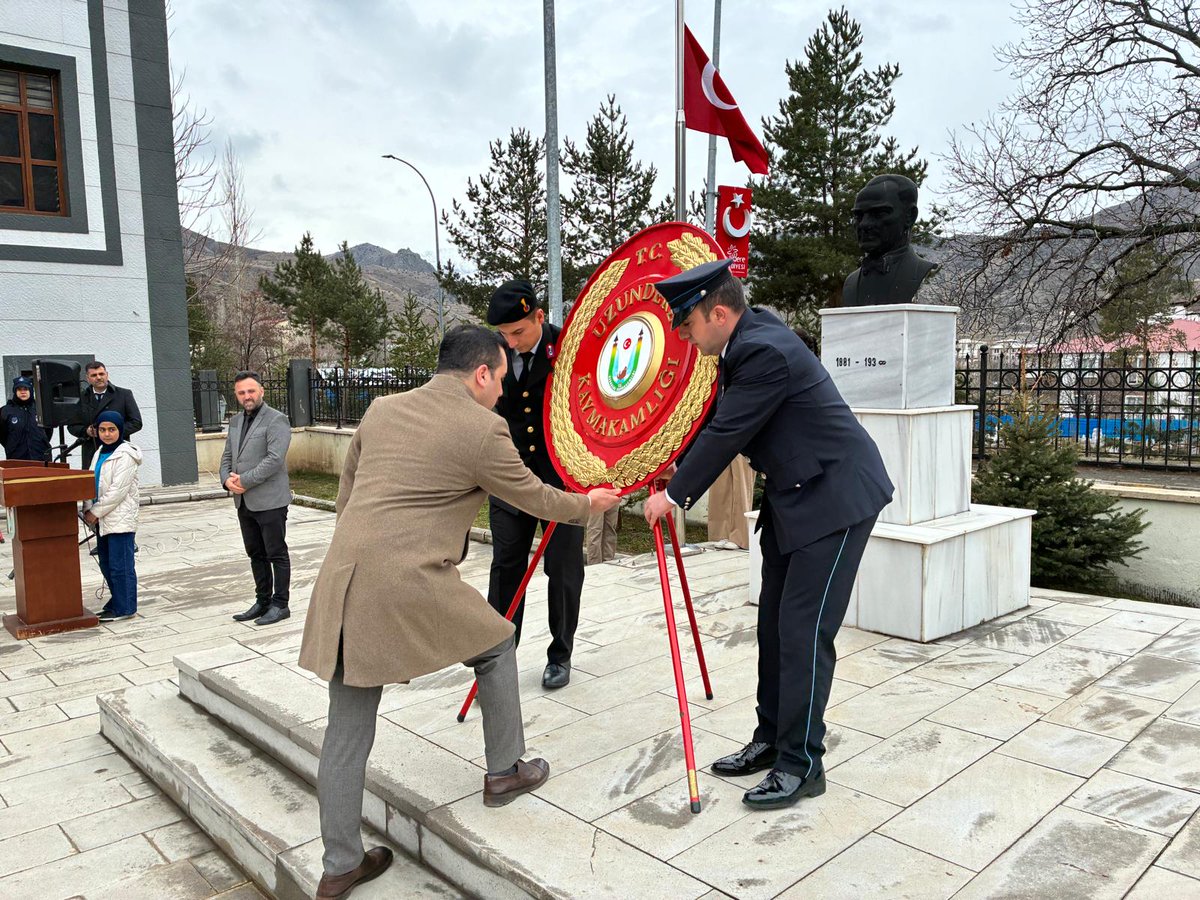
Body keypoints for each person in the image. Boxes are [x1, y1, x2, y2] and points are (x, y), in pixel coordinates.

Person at [298, 325, 620, 900]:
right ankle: (506, 771)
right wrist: (588, 504)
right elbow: (532, 496)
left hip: (343, 576)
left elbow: (347, 496)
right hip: (408, 579)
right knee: (496, 644)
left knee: (346, 728)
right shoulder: (481, 427)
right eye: (500, 378)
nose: (502, 391)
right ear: (481, 373)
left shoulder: (381, 409)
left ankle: (339, 865)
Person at [644, 258, 894, 810]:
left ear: (719, 313)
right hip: (795, 493)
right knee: (775, 625)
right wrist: (676, 464)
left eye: (688, 325)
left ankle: (801, 764)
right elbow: (719, 419)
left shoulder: (761, 350)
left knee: (804, 632)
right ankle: (770, 739)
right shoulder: (746, 338)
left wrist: (675, 495)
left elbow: (729, 432)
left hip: (835, 499)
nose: (684, 337)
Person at [484, 279, 586, 689]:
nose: (510, 342)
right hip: (510, 478)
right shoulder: (493, 354)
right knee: (506, 568)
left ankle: (560, 654)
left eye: (518, 332)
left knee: (563, 569)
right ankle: (498, 662)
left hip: (561, 480)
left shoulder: (569, 348)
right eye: (504, 334)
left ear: (539, 316)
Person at [219, 371, 293, 627]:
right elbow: (228, 456)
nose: (247, 396)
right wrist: (226, 480)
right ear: (236, 395)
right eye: (241, 392)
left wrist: (244, 481)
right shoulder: (235, 421)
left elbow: (275, 459)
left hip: (270, 500)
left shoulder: (276, 419)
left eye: (251, 391)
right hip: (244, 502)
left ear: (261, 390)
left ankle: (280, 604)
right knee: (255, 554)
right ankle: (262, 601)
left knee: (276, 553)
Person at [841, 174, 938, 307]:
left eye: (878, 214)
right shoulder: (850, 283)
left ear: (909, 216)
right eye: (859, 216)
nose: (864, 224)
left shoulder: (924, 274)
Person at [83, 410, 142, 622]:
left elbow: (118, 490)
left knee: (121, 566)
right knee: (107, 564)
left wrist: (94, 512)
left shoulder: (126, 454)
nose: (107, 434)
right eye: (102, 430)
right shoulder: (99, 451)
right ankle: (117, 601)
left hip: (119, 518)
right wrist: (87, 507)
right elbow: (91, 481)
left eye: (112, 429)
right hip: (102, 519)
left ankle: (125, 608)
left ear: (120, 430)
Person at [69, 361, 143, 469]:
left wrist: (114, 432)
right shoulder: (80, 398)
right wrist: (86, 431)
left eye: (101, 374)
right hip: (91, 452)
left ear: (107, 375)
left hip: (118, 450)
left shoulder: (124, 394)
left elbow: (136, 422)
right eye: (94, 375)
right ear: (88, 378)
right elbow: (72, 426)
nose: (98, 377)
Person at [1, 376, 52, 463]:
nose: (23, 392)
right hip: (16, 459)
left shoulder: (41, 408)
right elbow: (2, 436)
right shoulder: (5, 411)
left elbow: (48, 431)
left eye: (26, 389)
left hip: (41, 457)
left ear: (31, 390)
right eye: (19, 389)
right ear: (15, 391)